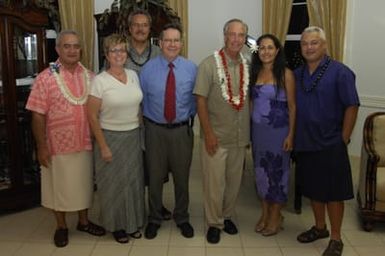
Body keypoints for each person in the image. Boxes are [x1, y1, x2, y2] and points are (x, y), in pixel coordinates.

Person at [26, 30, 106, 248]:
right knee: (57, 187)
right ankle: (61, 226)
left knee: (84, 185)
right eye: (67, 46)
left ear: (81, 49)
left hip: (84, 142)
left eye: (76, 46)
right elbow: (37, 114)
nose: (72, 50)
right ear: (58, 49)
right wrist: (41, 146)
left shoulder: (90, 77)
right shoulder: (45, 78)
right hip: (56, 145)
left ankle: (83, 221)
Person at [294, 26, 359, 256]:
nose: (309, 47)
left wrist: (344, 137)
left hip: (331, 143)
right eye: (305, 43)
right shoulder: (298, 73)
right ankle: (320, 228)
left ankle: (336, 237)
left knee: (333, 193)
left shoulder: (341, 72)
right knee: (314, 189)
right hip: (305, 142)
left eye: (314, 43)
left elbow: (352, 105)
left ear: (324, 45)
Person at [194, 18, 250, 244]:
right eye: (232, 34)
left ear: (245, 39)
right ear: (225, 36)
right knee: (214, 184)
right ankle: (214, 223)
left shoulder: (248, 64)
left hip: (239, 137)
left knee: (234, 182)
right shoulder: (209, 64)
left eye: (241, 35)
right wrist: (208, 133)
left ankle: (226, 216)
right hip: (215, 136)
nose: (236, 39)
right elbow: (200, 100)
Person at [140, 23, 197, 239]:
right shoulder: (147, 70)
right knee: (154, 178)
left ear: (181, 44)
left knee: (182, 179)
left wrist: (185, 121)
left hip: (182, 131)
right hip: (155, 131)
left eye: (176, 40)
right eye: (168, 40)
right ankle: (154, 218)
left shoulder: (192, 68)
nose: (172, 44)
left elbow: (194, 101)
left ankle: (182, 217)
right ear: (160, 43)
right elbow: (142, 99)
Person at [87, 34, 145, 243]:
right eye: (114, 50)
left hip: (132, 138)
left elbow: (138, 105)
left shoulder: (133, 75)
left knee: (132, 184)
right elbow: (92, 116)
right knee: (113, 186)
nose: (118, 54)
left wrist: (140, 130)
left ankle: (132, 223)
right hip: (109, 138)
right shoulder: (99, 81)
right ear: (106, 54)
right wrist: (103, 146)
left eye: (122, 50)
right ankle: (117, 226)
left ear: (126, 53)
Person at [127, 9, 172, 220]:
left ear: (149, 28)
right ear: (129, 28)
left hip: (155, 119)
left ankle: (156, 205)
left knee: (156, 167)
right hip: (127, 121)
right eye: (136, 25)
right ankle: (134, 208)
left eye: (144, 25)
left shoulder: (159, 52)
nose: (140, 29)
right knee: (133, 167)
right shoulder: (119, 51)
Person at [249, 34, 296, 236]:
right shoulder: (254, 72)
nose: (265, 51)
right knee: (261, 174)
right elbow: (251, 104)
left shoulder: (285, 74)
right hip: (259, 132)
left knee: (277, 174)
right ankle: (265, 213)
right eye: (262, 48)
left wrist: (291, 135)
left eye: (270, 47)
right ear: (257, 52)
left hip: (279, 133)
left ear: (277, 51)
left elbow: (293, 107)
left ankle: (276, 216)